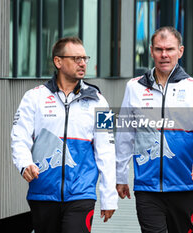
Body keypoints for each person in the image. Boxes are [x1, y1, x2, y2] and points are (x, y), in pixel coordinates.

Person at [11, 37, 117, 233]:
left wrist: (109, 196)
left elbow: (107, 151)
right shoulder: (34, 97)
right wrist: (24, 163)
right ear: (58, 62)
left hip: (81, 194)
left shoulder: (100, 102)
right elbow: (19, 137)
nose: (83, 63)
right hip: (42, 193)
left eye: (84, 58)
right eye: (76, 58)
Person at [115, 26, 193, 233]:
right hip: (146, 186)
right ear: (151, 51)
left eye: (169, 49)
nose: (164, 55)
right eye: (159, 49)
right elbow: (125, 135)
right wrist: (120, 175)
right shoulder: (133, 88)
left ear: (180, 51)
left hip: (184, 185)